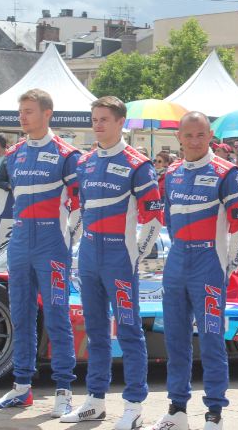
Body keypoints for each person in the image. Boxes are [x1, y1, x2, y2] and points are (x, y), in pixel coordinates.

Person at [61, 96, 163, 430]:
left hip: (120, 257)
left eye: (105, 119)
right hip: (89, 256)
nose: (98, 125)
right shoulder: (85, 162)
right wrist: (72, 245)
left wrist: (135, 252)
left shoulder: (138, 164)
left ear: (121, 122)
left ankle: (134, 405)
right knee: (95, 331)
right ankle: (95, 401)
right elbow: (79, 210)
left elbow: (153, 219)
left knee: (130, 331)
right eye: (94, 119)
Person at [146, 112, 238, 430]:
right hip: (176, 263)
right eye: (188, 135)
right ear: (178, 137)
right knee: (175, 341)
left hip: (209, 265)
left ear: (210, 137)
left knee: (211, 340)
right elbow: (167, 220)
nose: (194, 141)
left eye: (201, 135)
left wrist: (226, 269)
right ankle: (177, 411)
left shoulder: (228, 173)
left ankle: (214, 414)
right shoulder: (173, 172)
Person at [0, 89, 81, 418]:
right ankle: (21, 389)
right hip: (21, 240)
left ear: (47, 114)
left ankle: (64, 391)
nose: (22, 117)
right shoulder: (14, 153)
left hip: (52, 243)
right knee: (21, 315)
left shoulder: (68, 154)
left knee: (57, 317)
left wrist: (69, 240)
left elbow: (80, 207)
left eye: (28, 111)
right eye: (20, 111)